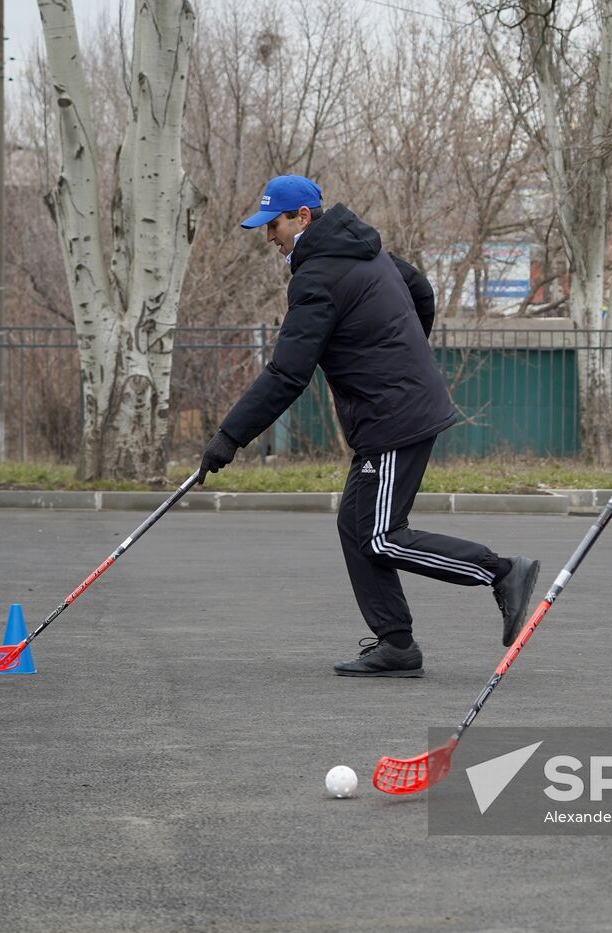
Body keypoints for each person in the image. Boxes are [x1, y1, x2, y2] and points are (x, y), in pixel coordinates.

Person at [198, 174, 541, 677]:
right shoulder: (366, 251)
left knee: (380, 536)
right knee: (356, 525)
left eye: (273, 225)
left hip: (393, 416)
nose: (268, 236)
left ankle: (501, 571)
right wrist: (403, 350)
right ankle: (396, 645)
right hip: (398, 406)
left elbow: (287, 373)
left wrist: (229, 437)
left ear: (302, 218)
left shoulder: (315, 278)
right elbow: (419, 288)